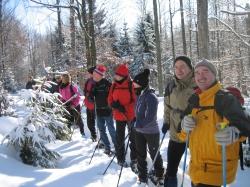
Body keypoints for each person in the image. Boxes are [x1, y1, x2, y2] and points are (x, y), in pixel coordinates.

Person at [181, 59, 250, 187]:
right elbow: (183, 134)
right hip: (196, 169)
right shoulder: (194, 99)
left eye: (205, 71)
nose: (200, 76)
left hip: (217, 173)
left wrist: (233, 132)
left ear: (214, 75)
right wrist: (183, 125)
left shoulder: (225, 98)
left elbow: (244, 127)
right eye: (197, 73)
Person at [161, 55, 196, 187]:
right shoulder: (170, 85)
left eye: (182, 66)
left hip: (195, 134)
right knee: (171, 169)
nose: (178, 70)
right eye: (176, 67)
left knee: (196, 171)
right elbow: (167, 107)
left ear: (190, 68)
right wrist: (166, 122)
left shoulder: (198, 83)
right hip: (176, 132)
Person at [133, 69, 164, 185]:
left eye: (135, 83)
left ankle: (159, 175)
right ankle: (142, 176)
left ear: (141, 83)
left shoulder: (151, 97)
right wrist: (135, 120)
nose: (133, 85)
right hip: (139, 131)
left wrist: (138, 123)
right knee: (140, 154)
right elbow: (138, 112)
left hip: (151, 131)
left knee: (154, 153)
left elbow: (150, 116)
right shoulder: (139, 95)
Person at [108, 63, 137, 168]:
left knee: (133, 138)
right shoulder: (114, 85)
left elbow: (134, 101)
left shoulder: (130, 85)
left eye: (118, 75)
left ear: (124, 76)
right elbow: (109, 99)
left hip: (130, 116)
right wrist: (114, 105)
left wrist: (125, 108)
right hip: (118, 116)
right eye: (116, 74)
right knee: (119, 138)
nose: (116, 76)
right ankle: (120, 158)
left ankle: (134, 159)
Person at [92, 64, 116, 156]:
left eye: (95, 75)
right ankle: (107, 148)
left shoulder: (108, 84)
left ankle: (118, 148)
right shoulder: (95, 85)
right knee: (101, 130)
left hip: (107, 110)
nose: (93, 76)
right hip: (98, 111)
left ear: (99, 75)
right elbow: (93, 96)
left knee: (111, 130)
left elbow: (113, 97)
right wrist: (90, 95)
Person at [83, 66, 97, 142]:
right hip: (88, 104)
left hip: (94, 105)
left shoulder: (96, 81)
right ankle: (93, 135)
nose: (87, 74)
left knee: (93, 121)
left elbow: (96, 93)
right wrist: (86, 93)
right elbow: (85, 90)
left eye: (89, 73)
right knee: (89, 122)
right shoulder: (88, 81)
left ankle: (94, 136)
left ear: (92, 73)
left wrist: (90, 94)